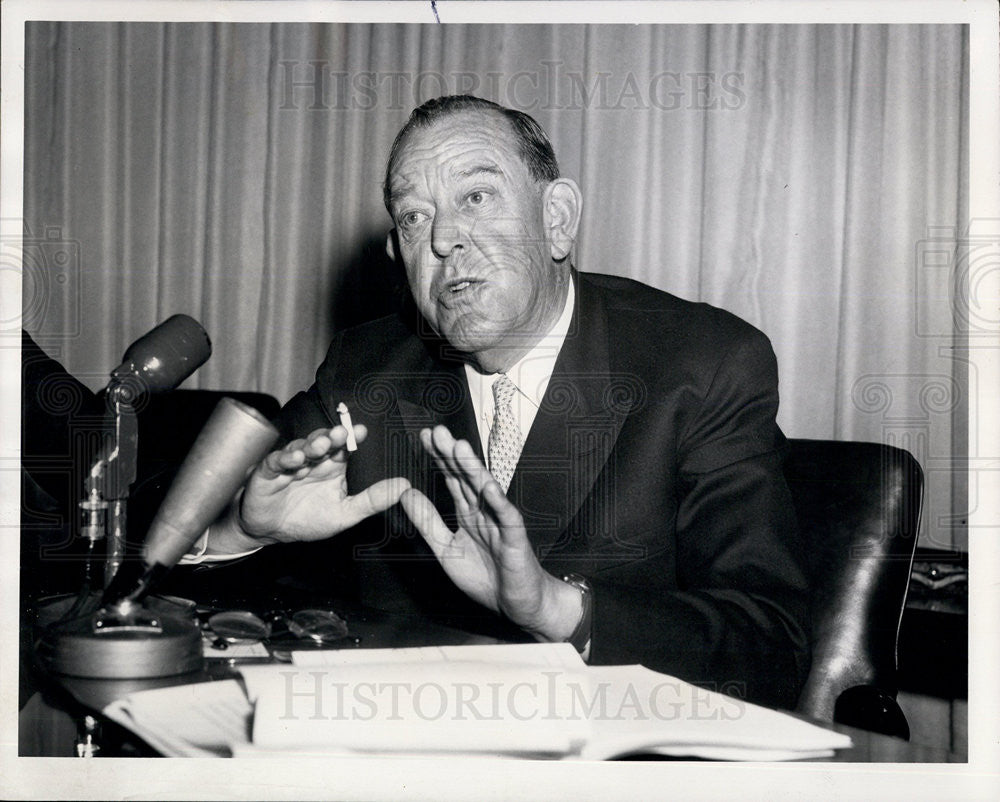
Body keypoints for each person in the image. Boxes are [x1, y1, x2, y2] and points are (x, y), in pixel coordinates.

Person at [203, 95, 810, 709]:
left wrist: (558, 609)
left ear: (558, 219)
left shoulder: (703, 362)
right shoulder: (366, 370)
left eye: (476, 197)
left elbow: (772, 646)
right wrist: (241, 529)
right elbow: (165, 548)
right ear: (398, 259)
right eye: (414, 217)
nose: (443, 240)